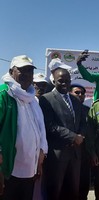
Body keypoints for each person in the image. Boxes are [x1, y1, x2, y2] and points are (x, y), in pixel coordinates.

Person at [0, 55, 48, 200]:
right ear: (11, 71)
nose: (27, 75)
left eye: (30, 71)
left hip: (29, 170)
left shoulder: (31, 99)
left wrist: (41, 154)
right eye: (22, 70)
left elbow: (40, 130)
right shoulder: (4, 94)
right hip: (8, 168)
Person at [39, 68, 86, 200]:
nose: (65, 83)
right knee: (54, 192)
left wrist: (81, 134)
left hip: (75, 155)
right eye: (61, 81)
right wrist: (73, 136)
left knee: (72, 193)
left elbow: (83, 122)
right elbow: (49, 125)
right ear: (54, 81)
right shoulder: (46, 99)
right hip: (57, 156)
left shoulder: (75, 100)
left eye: (67, 81)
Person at [69, 84, 90, 200]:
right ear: (70, 93)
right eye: (77, 92)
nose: (80, 95)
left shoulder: (88, 110)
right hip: (69, 153)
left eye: (82, 93)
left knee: (83, 184)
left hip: (84, 154)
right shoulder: (66, 109)